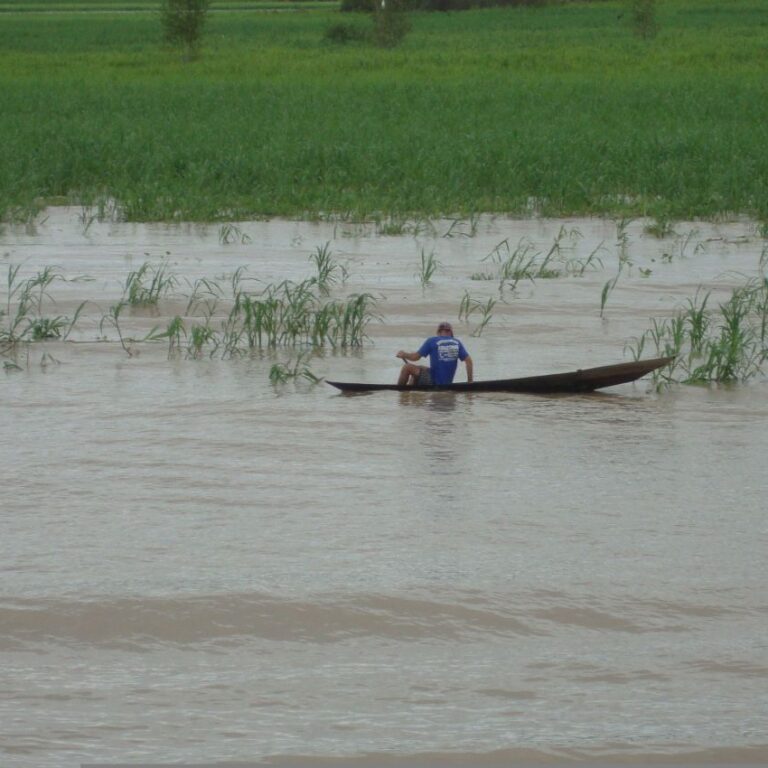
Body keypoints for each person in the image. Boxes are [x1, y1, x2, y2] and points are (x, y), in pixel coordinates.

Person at [396, 321, 473, 387]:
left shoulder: (432, 340)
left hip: (434, 382)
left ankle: (399, 391)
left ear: (438, 332)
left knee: (407, 367)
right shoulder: (457, 342)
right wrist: (470, 383)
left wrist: (404, 354)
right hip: (447, 382)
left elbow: (415, 357)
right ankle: (412, 389)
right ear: (450, 332)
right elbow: (469, 361)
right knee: (421, 368)